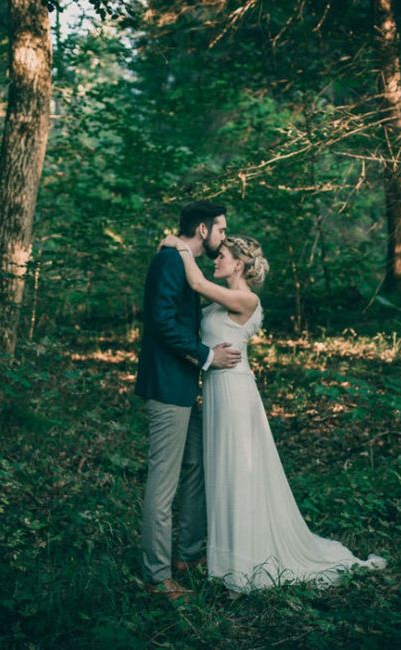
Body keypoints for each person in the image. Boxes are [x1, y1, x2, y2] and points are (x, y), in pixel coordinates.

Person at [159, 233, 387, 593]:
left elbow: (197, 282)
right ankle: (225, 557)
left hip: (234, 395)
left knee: (237, 472)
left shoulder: (246, 299)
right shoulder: (218, 306)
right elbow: (192, 330)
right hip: (216, 393)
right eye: (215, 255)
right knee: (220, 472)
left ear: (240, 265)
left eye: (222, 256)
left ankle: (243, 562)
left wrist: (180, 246)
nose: (215, 260)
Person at [134, 201, 242, 601]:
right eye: (221, 230)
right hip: (166, 387)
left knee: (196, 464)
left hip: (184, 385)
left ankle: (188, 555)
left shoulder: (186, 262)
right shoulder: (168, 261)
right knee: (163, 482)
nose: (223, 237)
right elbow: (160, 323)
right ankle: (157, 576)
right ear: (202, 229)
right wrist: (208, 356)